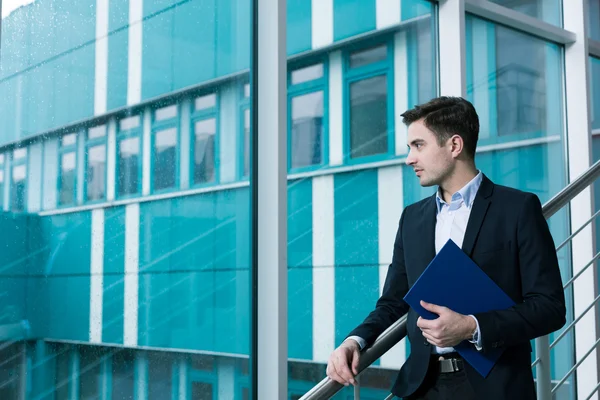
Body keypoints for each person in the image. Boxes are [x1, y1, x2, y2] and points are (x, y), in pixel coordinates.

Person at [326, 96, 566, 400]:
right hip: (423, 388)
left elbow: (550, 307)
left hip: (495, 388)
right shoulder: (412, 218)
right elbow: (393, 302)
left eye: (418, 145)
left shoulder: (517, 209)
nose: (409, 158)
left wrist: (471, 327)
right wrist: (355, 341)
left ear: (454, 146)